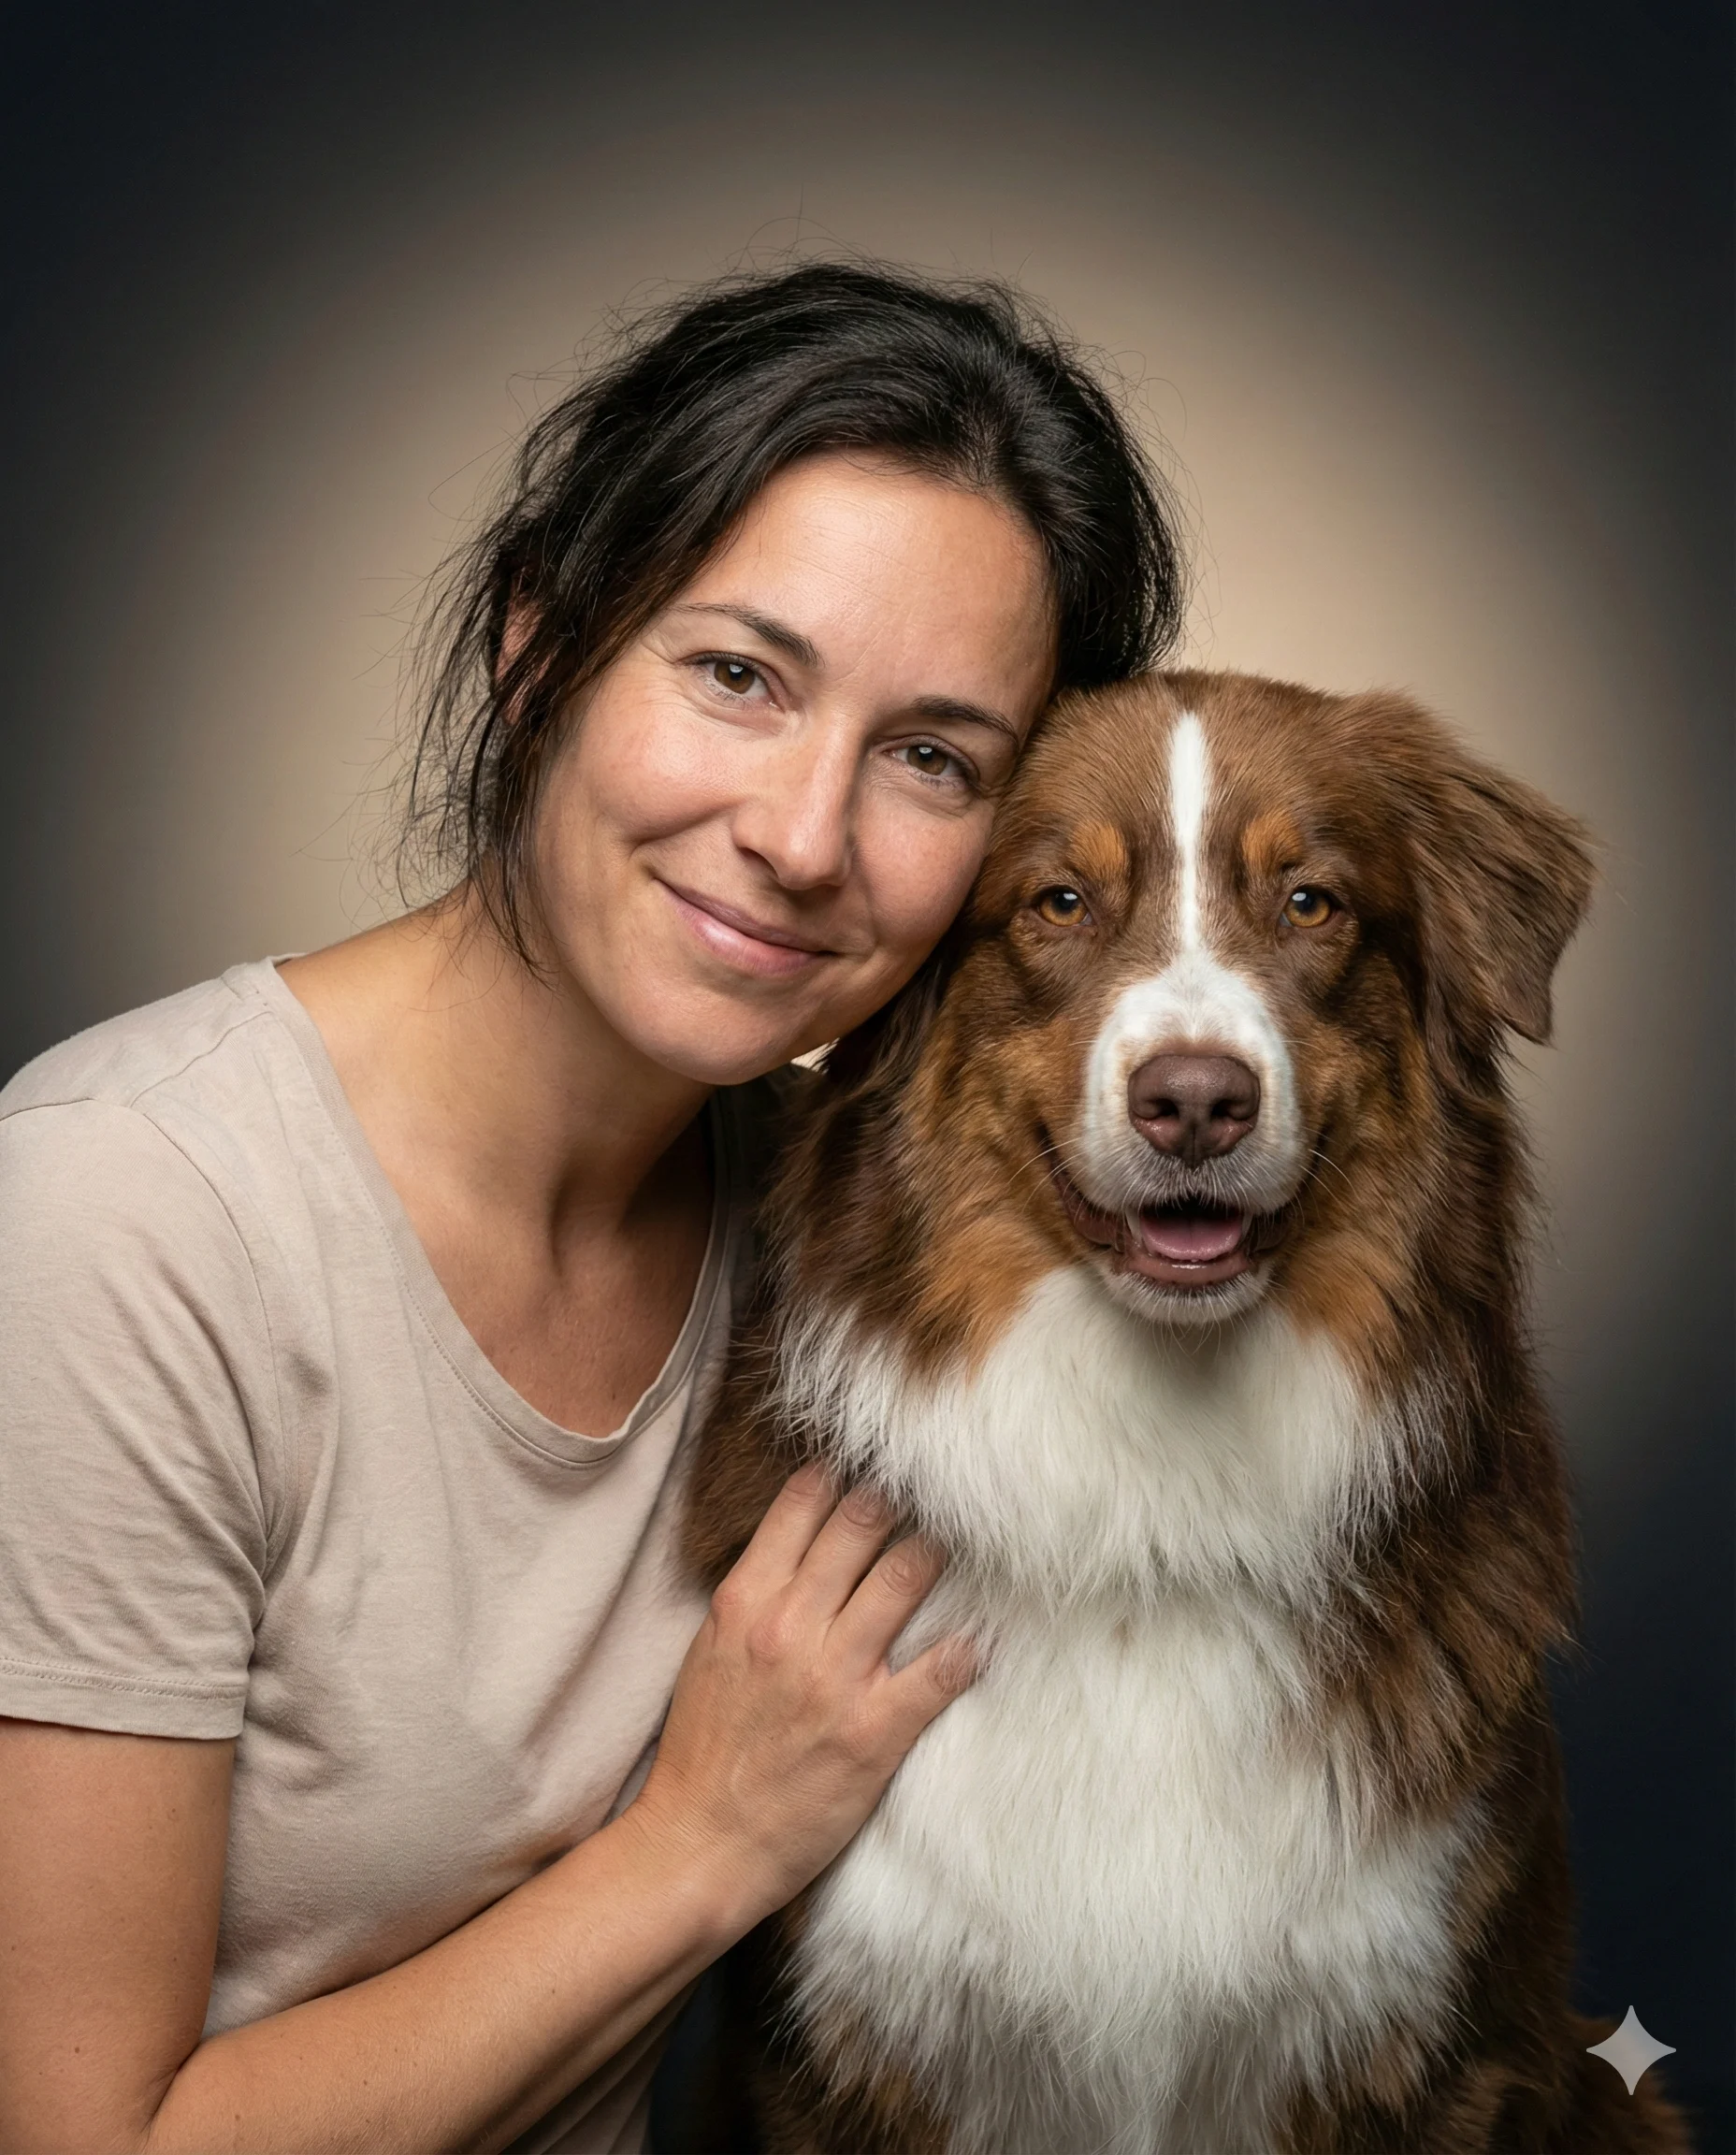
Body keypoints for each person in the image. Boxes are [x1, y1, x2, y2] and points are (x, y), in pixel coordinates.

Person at [0, 262, 1183, 2155]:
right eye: (738, 676)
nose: (803, 837)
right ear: (539, 646)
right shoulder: (119, 1211)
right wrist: (703, 1844)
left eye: (932, 759)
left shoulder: (839, 1257)